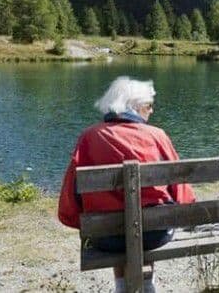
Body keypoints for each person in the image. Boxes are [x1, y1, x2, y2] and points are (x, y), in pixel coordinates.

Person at [58, 76, 196, 293]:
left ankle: (121, 287)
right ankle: (147, 284)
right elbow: (182, 190)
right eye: (149, 105)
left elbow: (70, 193)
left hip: (105, 236)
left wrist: (81, 223)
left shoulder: (88, 137)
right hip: (154, 234)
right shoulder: (157, 135)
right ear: (136, 107)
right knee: (148, 222)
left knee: (118, 223)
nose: (151, 111)